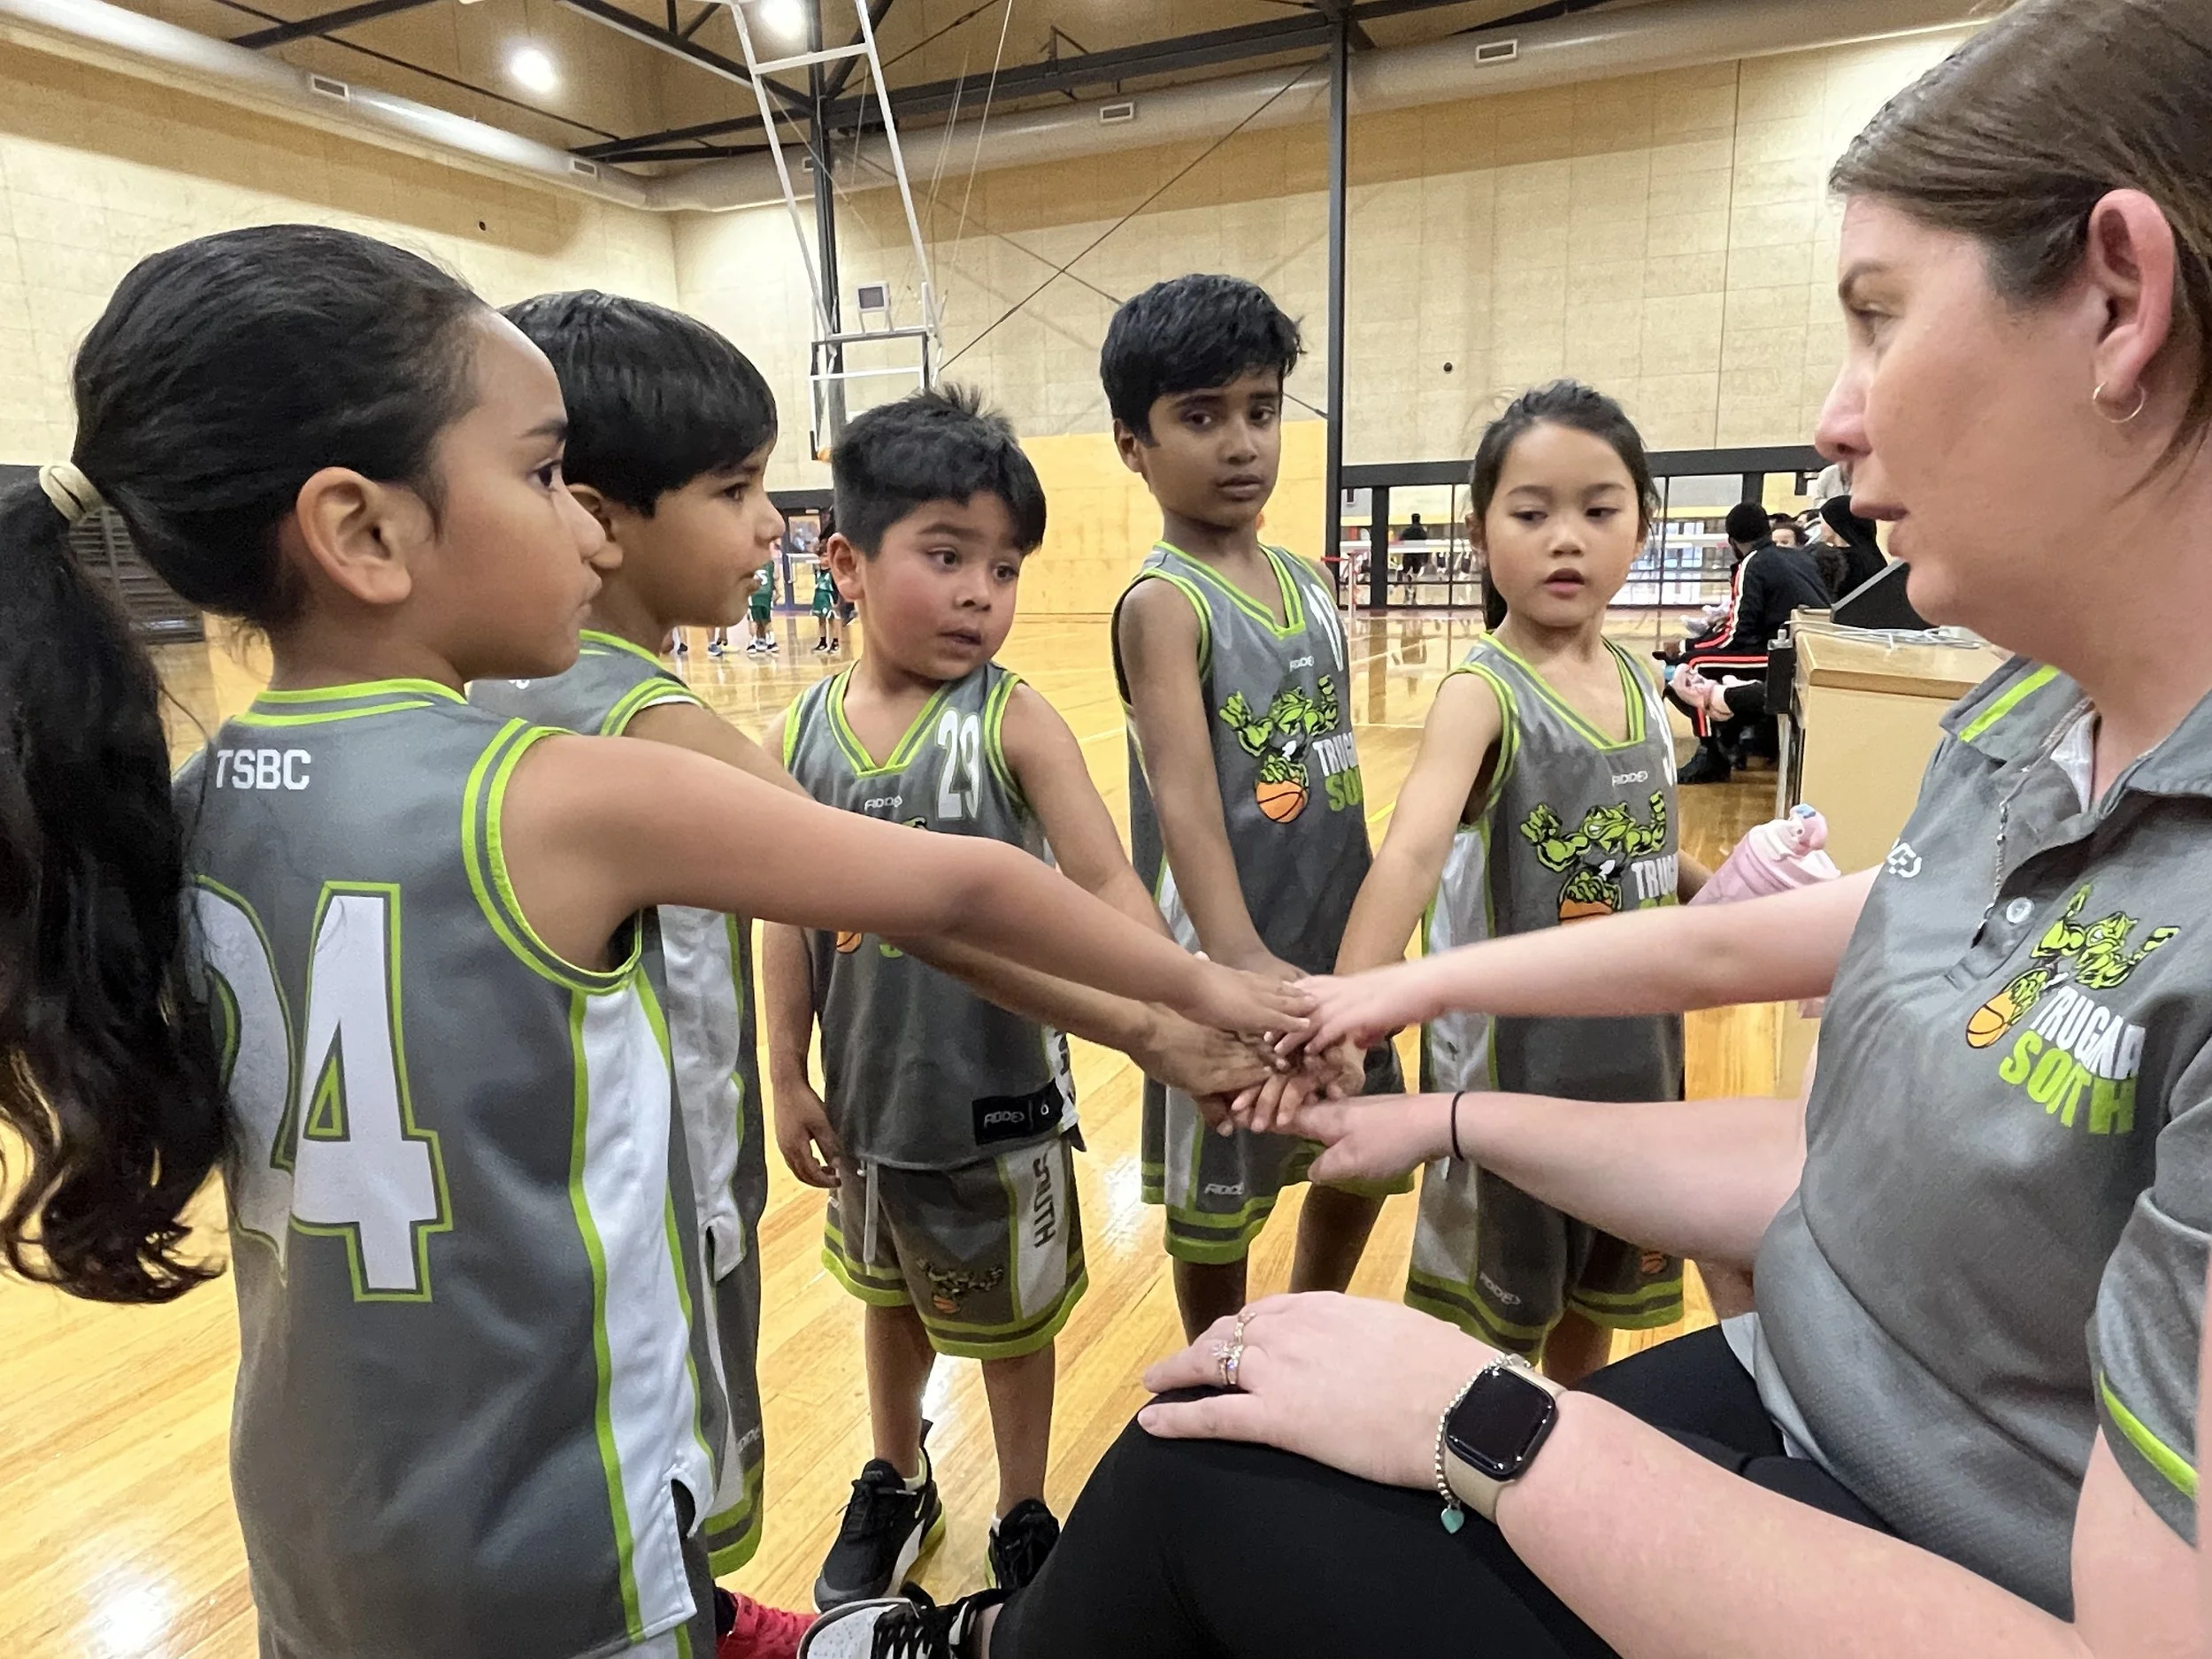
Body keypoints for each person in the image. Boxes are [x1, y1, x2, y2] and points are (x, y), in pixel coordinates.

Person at [798, 4, 2212, 1653]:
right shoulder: (2021, 723)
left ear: (2118, 301)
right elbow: (1839, 1162)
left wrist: (1492, 1427)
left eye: (1877, 320)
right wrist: (1398, 1039)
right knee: (1217, 1421)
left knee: (1224, 1467)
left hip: (1889, 1527)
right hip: (1783, 1386)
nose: (1833, 414)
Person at [0, 224, 1307, 1659]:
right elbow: (947, 892)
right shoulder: (555, 783)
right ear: (364, 531)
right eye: (544, 474)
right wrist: (1200, 989)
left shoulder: (182, 801)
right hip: (541, 1523)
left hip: (316, 1521)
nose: (585, 522)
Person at [767, 386, 1180, 1607]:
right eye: (945, 556)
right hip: (870, 1110)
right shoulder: (803, 732)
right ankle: (895, 1475)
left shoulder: (1017, 722)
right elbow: (783, 916)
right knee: (885, 1297)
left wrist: (1189, 1005)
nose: (977, 593)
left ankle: (1021, 1503)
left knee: (1014, 1325)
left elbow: (1109, 881)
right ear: (844, 561)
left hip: (1004, 1112)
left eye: (1002, 568)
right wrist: (784, 1068)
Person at [467, 288, 803, 1655]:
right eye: (737, 488)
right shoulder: (640, 726)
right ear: (600, 517)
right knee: (656, 1441)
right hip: (641, 1194)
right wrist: (1176, 1006)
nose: (774, 523)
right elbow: (910, 891)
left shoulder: (473, 698)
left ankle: (701, 1609)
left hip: (547, 1206)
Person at [1327, 381, 1708, 1388]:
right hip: (1509, 1088)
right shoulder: (1480, 693)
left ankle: (1570, 1470)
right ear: (1480, 530)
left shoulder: (1635, 681)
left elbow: (1635, 849)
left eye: (1598, 509)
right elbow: (1408, 853)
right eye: (1531, 513)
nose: (1565, 539)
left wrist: (1728, 888)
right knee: (1491, 1348)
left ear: (1643, 525)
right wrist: (1348, 1012)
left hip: (1638, 1076)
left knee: (1595, 1310)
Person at [1102, 273, 1403, 1342]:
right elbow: (1181, 796)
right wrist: (1229, 956)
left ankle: (1312, 1326)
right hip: (1232, 940)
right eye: (1200, 417)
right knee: (1219, 1194)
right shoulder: (1164, 603)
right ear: (1132, 443)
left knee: (1363, 1149)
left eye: (1261, 410)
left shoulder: (1308, 580)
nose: (1240, 443)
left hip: (1334, 930)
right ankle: (1220, 1356)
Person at [1667, 500, 1829, 784]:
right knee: (1701, 656)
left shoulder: (1752, 563)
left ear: (1731, 540)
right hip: (1809, 648)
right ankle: (1727, 736)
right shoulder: (1798, 556)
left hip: (1782, 654)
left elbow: (1738, 635)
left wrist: (1684, 648)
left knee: (1690, 665)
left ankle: (1711, 756)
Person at [811, 555, 842, 654]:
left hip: (829, 596)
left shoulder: (833, 572)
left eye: (825, 557)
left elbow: (837, 588)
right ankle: (823, 642)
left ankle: (835, 642)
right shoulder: (817, 571)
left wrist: (837, 601)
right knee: (821, 620)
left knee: (832, 620)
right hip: (819, 596)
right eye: (820, 557)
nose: (822, 560)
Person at [746, 562, 778, 654]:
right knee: (767, 619)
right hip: (767, 594)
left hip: (755, 594)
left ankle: (753, 642)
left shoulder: (749, 564)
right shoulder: (769, 563)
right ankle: (772, 642)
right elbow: (775, 577)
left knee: (753, 619)